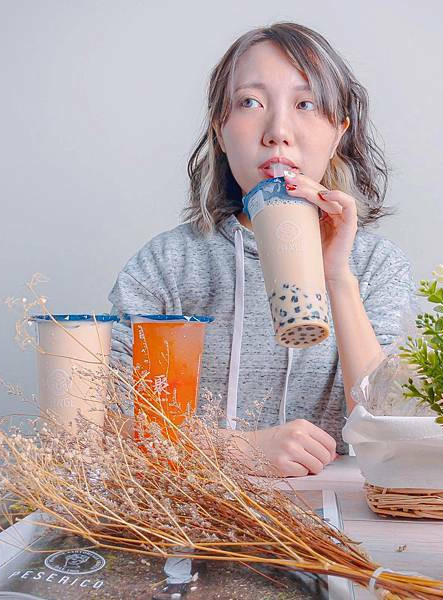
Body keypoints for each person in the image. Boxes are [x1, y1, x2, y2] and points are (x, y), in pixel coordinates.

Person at [108, 21, 416, 477]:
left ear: (339, 132)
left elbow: (393, 427)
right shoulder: (166, 266)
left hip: (337, 510)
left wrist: (337, 277)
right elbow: (103, 420)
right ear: (220, 128)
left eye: (305, 104)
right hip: (191, 505)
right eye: (250, 102)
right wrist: (234, 450)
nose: (278, 131)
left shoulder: (376, 266)